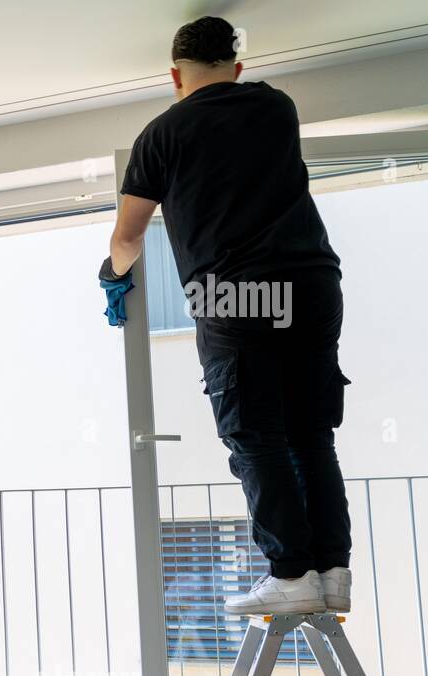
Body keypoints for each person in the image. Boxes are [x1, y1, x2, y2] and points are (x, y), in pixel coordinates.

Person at [101, 16, 351, 616]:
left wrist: (113, 275)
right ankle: (332, 571)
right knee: (311, 434)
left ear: (174, 76)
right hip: (314, 283)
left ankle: (292, 575)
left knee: (255, 435)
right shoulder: (276, 107)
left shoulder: (160, 135)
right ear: (237, 69)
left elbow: (130, 237)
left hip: (235, 293)